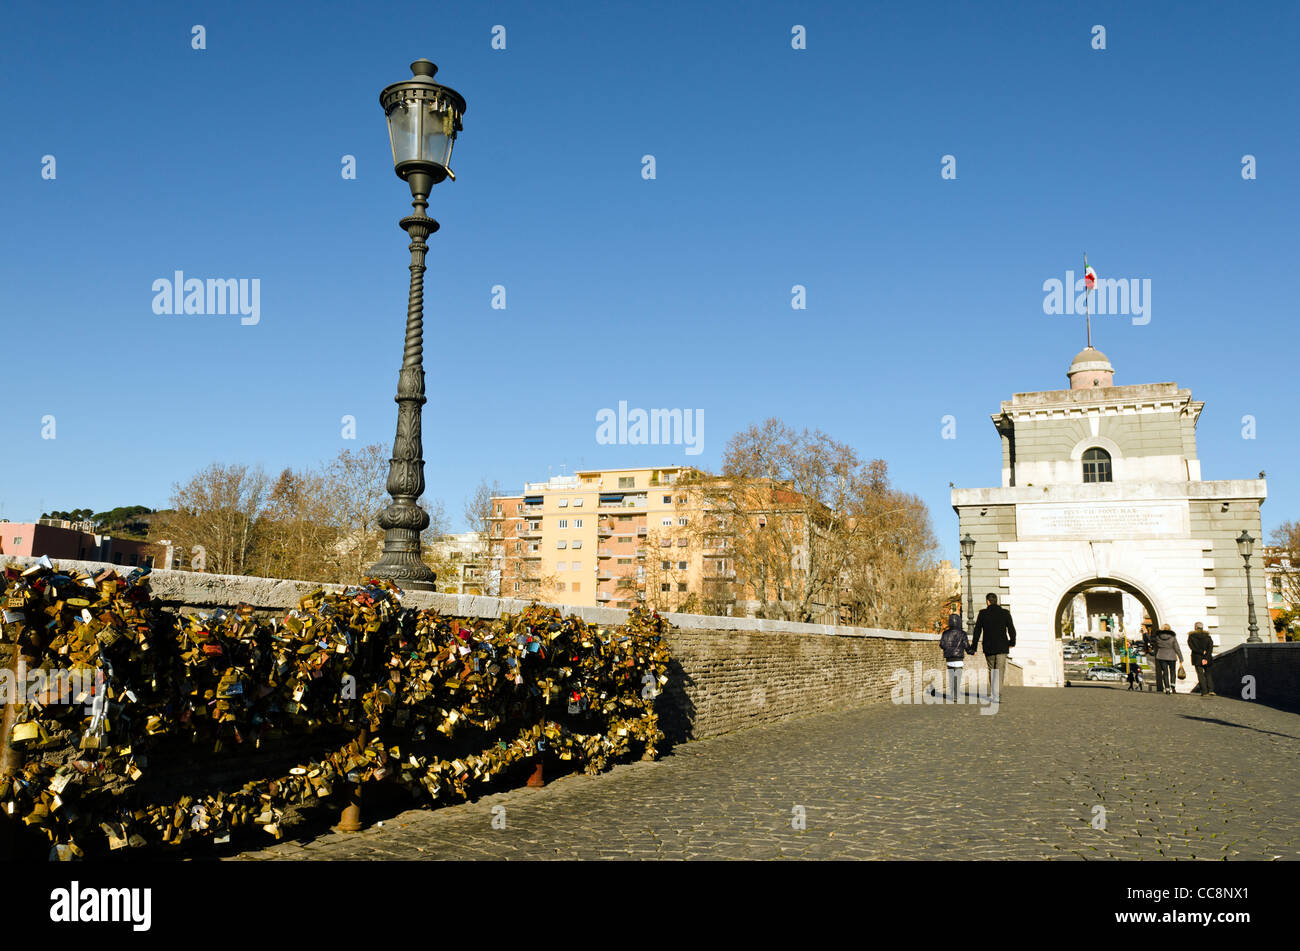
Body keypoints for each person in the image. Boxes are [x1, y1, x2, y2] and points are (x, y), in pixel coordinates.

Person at [970, 593, 1016, 702]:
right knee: (1000, 670)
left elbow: (977, 631)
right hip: (1002, 646)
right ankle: (998, 694)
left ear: (988, 601)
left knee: (992, 670)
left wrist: (974, 646)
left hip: (989, 646)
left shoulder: (983, 613)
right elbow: (1011, 629)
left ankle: (994, 693)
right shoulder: (1005, 613)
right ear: (996, 601)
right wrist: (1012, 642)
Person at [938, 613, 969, 701]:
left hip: (949, 658)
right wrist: (971, 651)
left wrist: (947, 649)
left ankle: (953, 694)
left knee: (951, 677)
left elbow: (942, 644)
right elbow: (966, 645)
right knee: (957, 678)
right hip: (959, 658)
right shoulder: (962, 633)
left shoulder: (945, 633)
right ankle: (956, 695)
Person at [1151, 625, 1183, 694]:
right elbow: (1177, 647)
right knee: (1172, 671)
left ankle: (1167, 689)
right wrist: (1180, 657)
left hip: (1161, 655)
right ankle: (1173, 686)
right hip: (1171, 656)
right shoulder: (1172, 637)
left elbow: (1153, 643)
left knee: (1165, 673)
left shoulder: (1158, 637)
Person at [1187, 622, 1215, 696]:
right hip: (1207, 657)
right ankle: (1211, 690)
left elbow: (1192, 647)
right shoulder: (1207, 637)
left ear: (1195, 627)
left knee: (1200, 674)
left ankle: (1204, 691)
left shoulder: (1192, 637)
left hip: (1197, 658)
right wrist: (1206, 657)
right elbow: (1210, 648)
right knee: (1208, 674)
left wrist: (1201, 652)